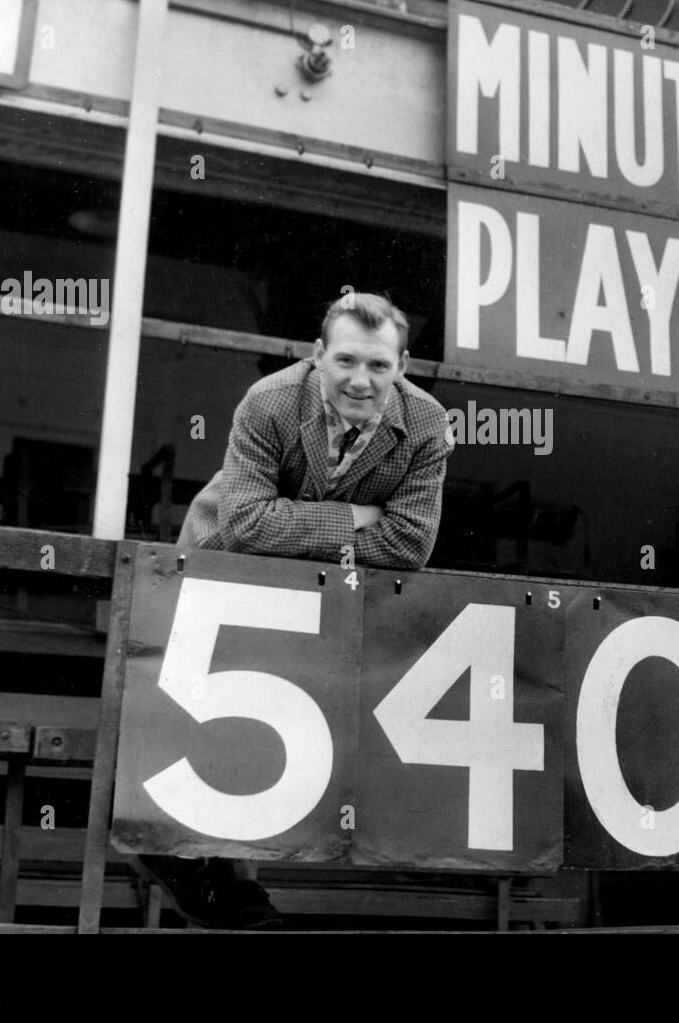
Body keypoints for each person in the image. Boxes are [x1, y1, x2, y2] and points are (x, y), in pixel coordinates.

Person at [138, 291, 453, 929]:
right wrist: (355, 518)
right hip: (220, 561)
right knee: (198, 718)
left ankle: (235, 888)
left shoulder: (427, 425)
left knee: (266, 730)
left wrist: (305, 525)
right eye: (344, 360)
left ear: (404, 366)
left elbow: (411, 544)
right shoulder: (270, 401)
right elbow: (247, 524)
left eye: (379, 366)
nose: (359, 381)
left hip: (314, 590)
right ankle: (185, 865)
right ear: (316, 356)